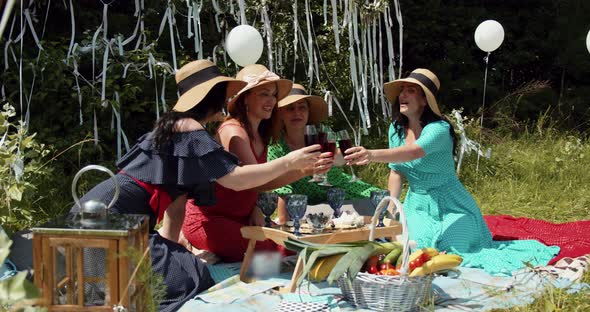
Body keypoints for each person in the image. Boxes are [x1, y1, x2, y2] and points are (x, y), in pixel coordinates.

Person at [70, 60, 322, 311]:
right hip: (110, 220)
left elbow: (175, 207)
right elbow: (237, 179)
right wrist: (289, 162)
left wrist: (171, 252)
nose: (226, 100)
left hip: (106, 219)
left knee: (187, 272)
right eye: (222, 93)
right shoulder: (191, 129)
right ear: (211, 97)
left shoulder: (177, 128)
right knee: (191, 280)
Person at [343, 68, 559, 275]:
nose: (403, 95)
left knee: (455, 249)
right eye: (402, 90)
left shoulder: (439, 129)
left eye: (411, 91)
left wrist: (370, 154)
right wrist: (390, 209)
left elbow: (412, 152)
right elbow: (397, 171)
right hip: (417, 205)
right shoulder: (396, 129)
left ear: (425, 100)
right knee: (416, 249)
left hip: (451, 203)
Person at [182, 65, 332, 263]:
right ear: (245, 98)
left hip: (242, 219)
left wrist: (255, 206)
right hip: (211, 222)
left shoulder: (260, 133)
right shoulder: (233, 132)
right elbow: (256, 182)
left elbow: (259, 183)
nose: (271, 101)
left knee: (297, 243)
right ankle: (194, 246)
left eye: (273, 95)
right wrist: (296, 166)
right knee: (280, 252)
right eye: (264, 94)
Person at [267, 83, 382, 224]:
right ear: (280, 114)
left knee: (381, 203)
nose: (297, 112)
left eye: (302, 107)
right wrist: (284, 225)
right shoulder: (276, 144)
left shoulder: (321, 131)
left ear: (308, 112)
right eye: (290, 108)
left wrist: (333, 158)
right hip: (307, 203)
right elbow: (282, 189)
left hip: (340, 189)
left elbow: (340, 159)